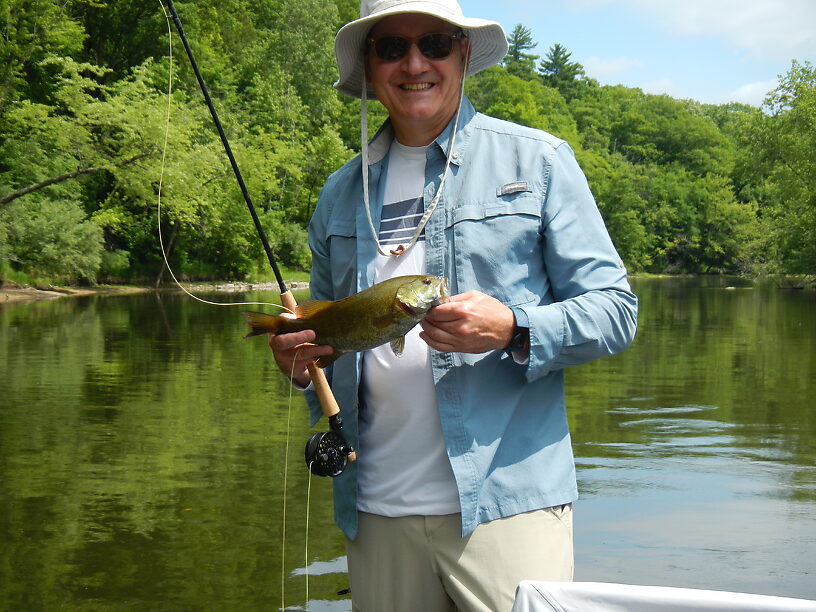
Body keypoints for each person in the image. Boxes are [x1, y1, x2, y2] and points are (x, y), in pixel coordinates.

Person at [268, 0, 638, 609]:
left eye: (435, 43)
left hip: (505, 506)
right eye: (392, 47)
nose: (415, 62)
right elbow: (329, 349)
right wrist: (301, 362)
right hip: (375, 508)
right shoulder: (338, 194)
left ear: (463, 54)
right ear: (370, 64)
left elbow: (616, 311)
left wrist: (515, 328)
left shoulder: (538, 160)